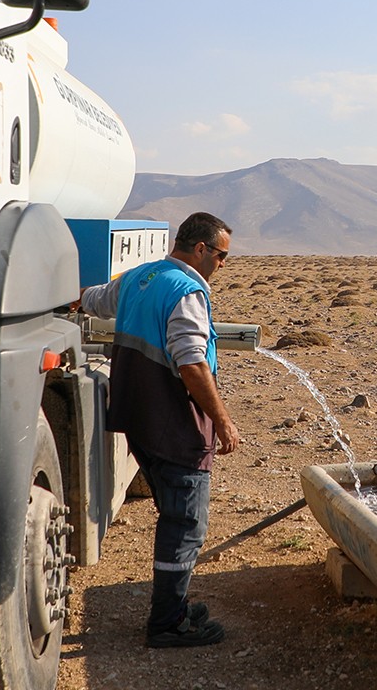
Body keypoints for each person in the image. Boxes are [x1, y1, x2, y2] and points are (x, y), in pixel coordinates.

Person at [78, 211, 242, 648]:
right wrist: (222, 421)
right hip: (174, 422)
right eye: (221, 256)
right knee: (185, 522)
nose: (222, 265)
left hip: (137, 419)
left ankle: (176, 605)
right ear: (201, 248)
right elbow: (191, 363)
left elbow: (95, 300)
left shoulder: (141, 275)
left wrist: (69, 297)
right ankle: (168, 623)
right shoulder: (187, 291)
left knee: (173, 513)